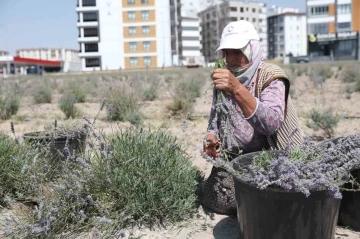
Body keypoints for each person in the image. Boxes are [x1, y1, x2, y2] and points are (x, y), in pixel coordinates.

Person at [199, 20, 304, 215]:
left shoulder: (271, 76)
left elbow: (271, 124)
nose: (230, 58)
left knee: (275, 198)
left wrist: (237, 89)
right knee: (217, 198)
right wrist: (211, 137)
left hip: (273, 156)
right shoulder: (224, 78)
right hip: (235, 159)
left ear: (252, 49)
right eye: (227, 52)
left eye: (237, 51)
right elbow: (215, 119)